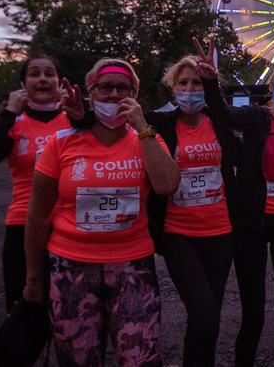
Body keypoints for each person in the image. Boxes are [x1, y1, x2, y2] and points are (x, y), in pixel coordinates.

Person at [65, 55, 241, 366]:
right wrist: (80, 119)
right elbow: (116, 118)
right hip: (178, 234)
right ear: (173, 89)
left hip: (220, 231)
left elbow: (244, 159)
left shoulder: (222, 126)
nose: (190, 88)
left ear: (207, 87)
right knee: (205, 311)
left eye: (197, 83)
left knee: (209, 318)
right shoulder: (159, 123)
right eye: (183, 83)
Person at [23, 58, 180, 366]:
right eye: (105, 87)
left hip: (133, 269)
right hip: (71, 268)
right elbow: (37, 216)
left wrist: (142, 129)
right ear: (91, 93)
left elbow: (167, 185)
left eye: (123, 88)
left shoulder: (146, 139)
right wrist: (33, 279)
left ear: (133, 93)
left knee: (141, 360)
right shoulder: (61, 143)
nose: (113, 95)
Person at [195, 36, 274, 367]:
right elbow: (222, 111)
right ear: (273, 83)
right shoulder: (255, 117)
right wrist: (209, 80)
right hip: (252, 224)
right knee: (254, 311)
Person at [0, 55, 71, 311]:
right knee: (24, 307)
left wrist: (75, 106)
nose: (42, 79)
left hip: (70, 225)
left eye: (49, 74)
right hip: (23, 225)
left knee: (71, 310)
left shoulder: (74, 121)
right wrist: (9, 112)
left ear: (60, 83)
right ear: (22, 83)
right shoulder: (15, 124)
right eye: (34, 73)